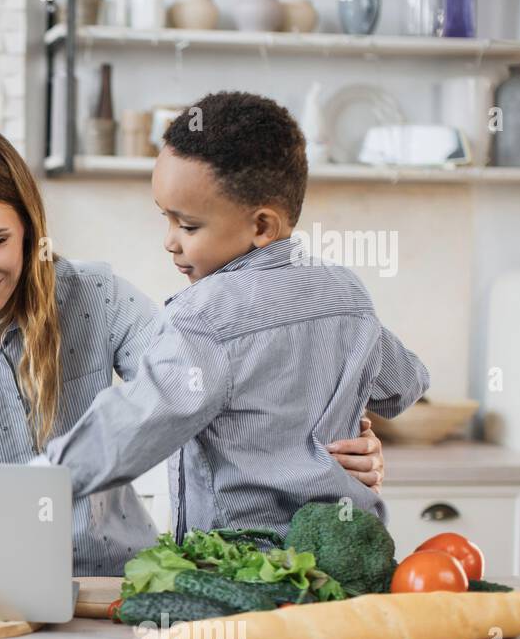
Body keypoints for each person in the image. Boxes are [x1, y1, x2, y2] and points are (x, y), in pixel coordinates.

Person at [0, 118, 386, 573]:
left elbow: (201, 381)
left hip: (111, 583)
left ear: (27, 226)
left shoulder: (94, 296)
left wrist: (324, 439)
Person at [35, 92, 429, 539]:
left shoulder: (204, 317)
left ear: (261, 226)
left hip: (244, 569)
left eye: (188, 226)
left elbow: (131, 426)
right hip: (350, 554)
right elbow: (404, 387)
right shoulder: (346, 293)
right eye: (165, 219)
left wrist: (39, 480)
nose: (170, 241)